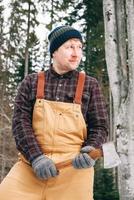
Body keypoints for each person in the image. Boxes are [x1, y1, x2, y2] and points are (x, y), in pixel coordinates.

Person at [0, 25, 109, 200]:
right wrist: (36, 158)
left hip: (73, 170)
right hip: (30, 167)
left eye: (79, 47)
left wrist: (90, 149)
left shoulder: (90, 84)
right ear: (54, 52)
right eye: (69, 47)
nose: (76, 53)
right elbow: (20, 124)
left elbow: (100, 126)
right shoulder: (31, 82)